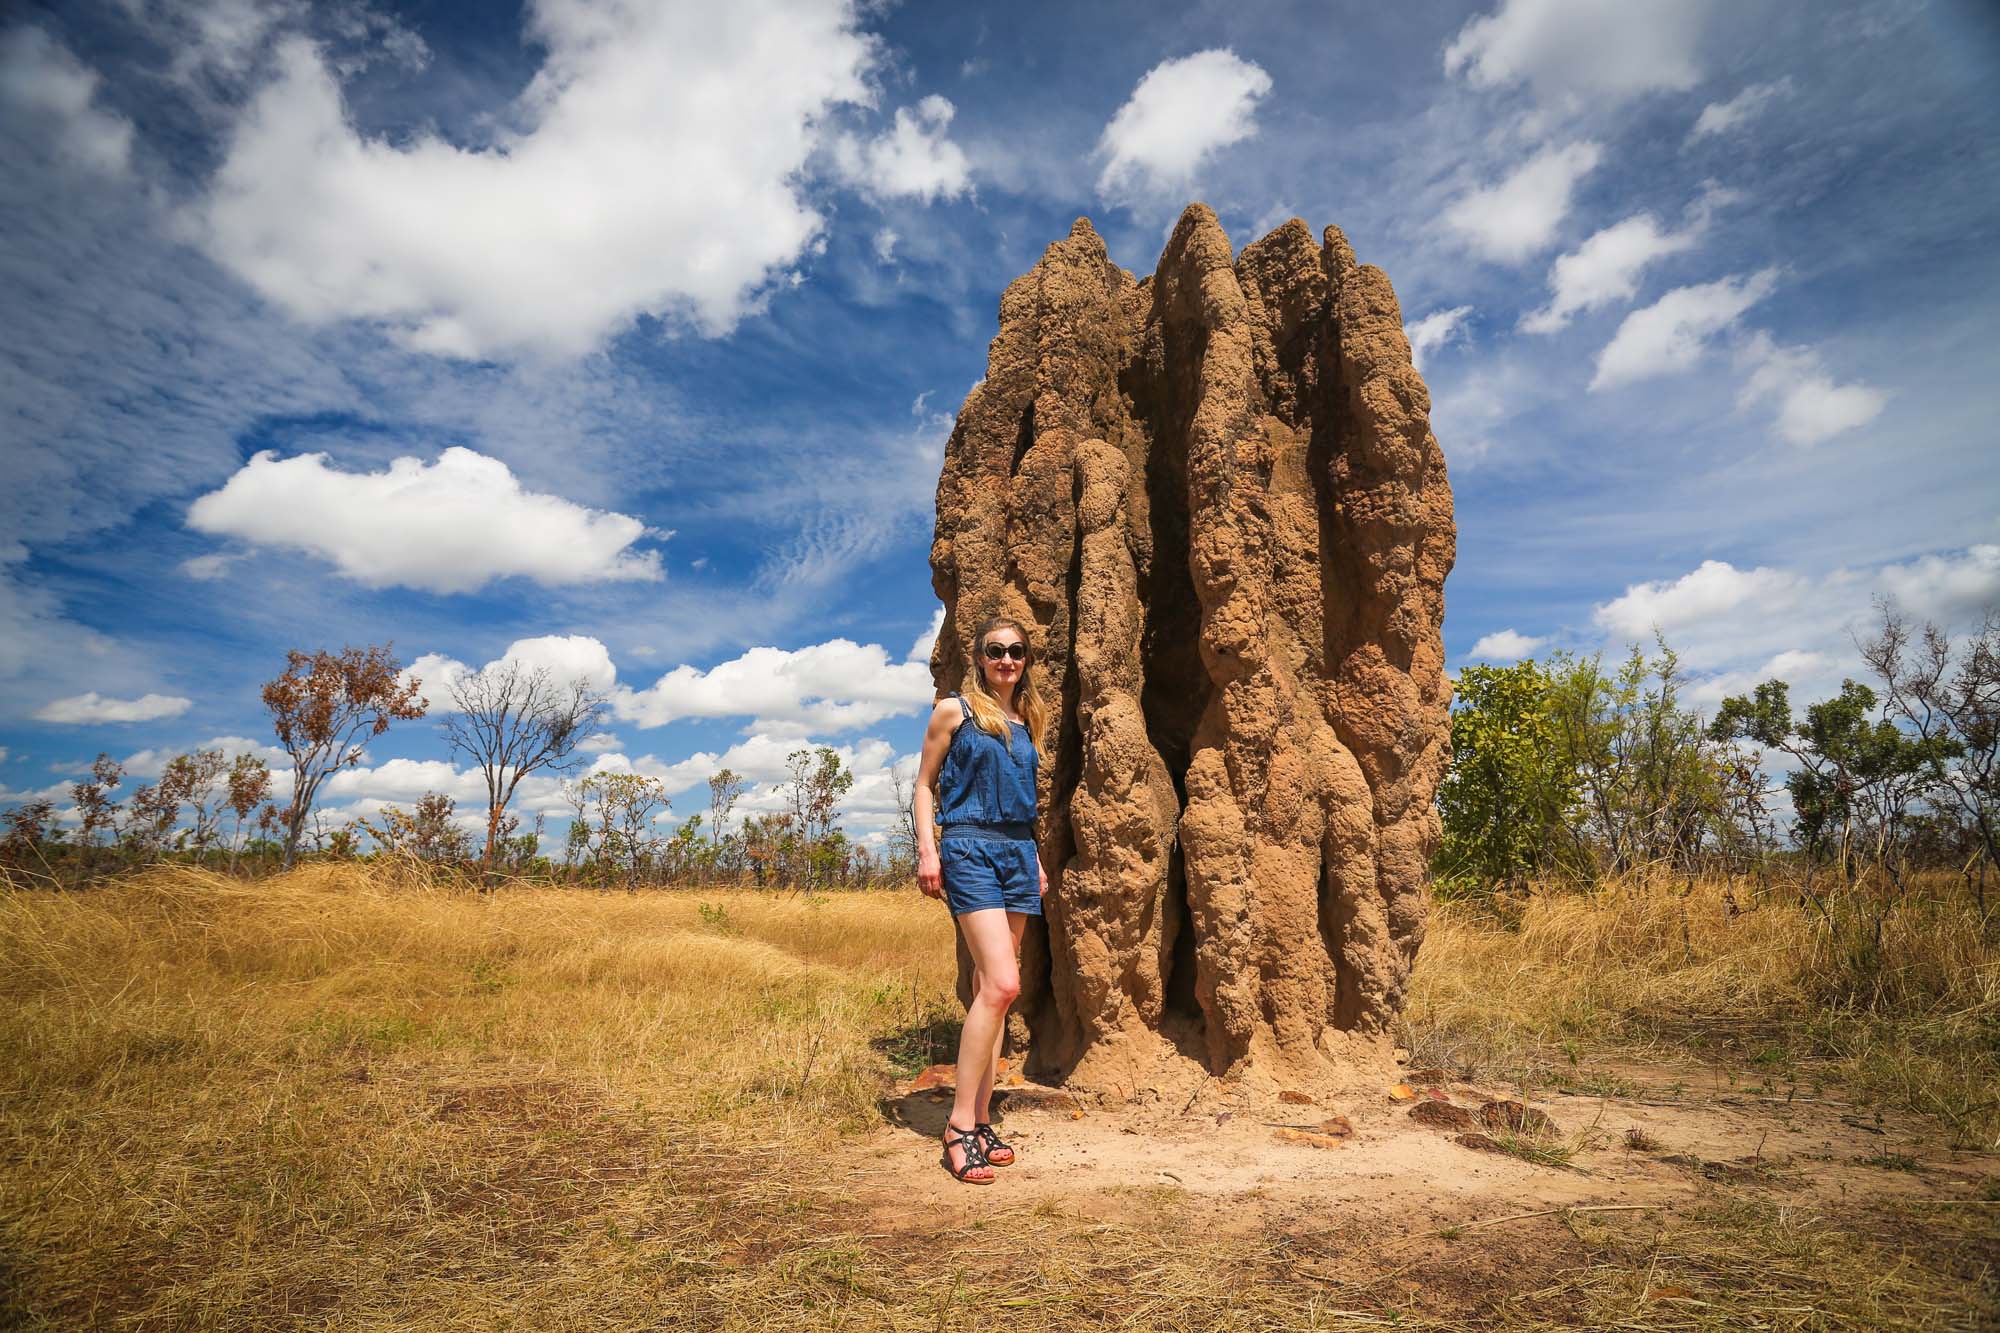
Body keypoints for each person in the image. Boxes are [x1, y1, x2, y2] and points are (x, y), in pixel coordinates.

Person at [913, 615, 1050, 1184]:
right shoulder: (956, 712)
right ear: (979, 657)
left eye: (1016, 651)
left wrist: (1035, 858)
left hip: (1018, 854)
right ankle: (958, 1127)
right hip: (968, 848)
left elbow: (1023, 802)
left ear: (1026, 660)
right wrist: (929, 851)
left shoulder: (1027, 720)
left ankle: (983, 1116)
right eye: (996, 651)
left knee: (988, 991)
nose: (1006, 660)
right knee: (1003, 983)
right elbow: (924, 785)